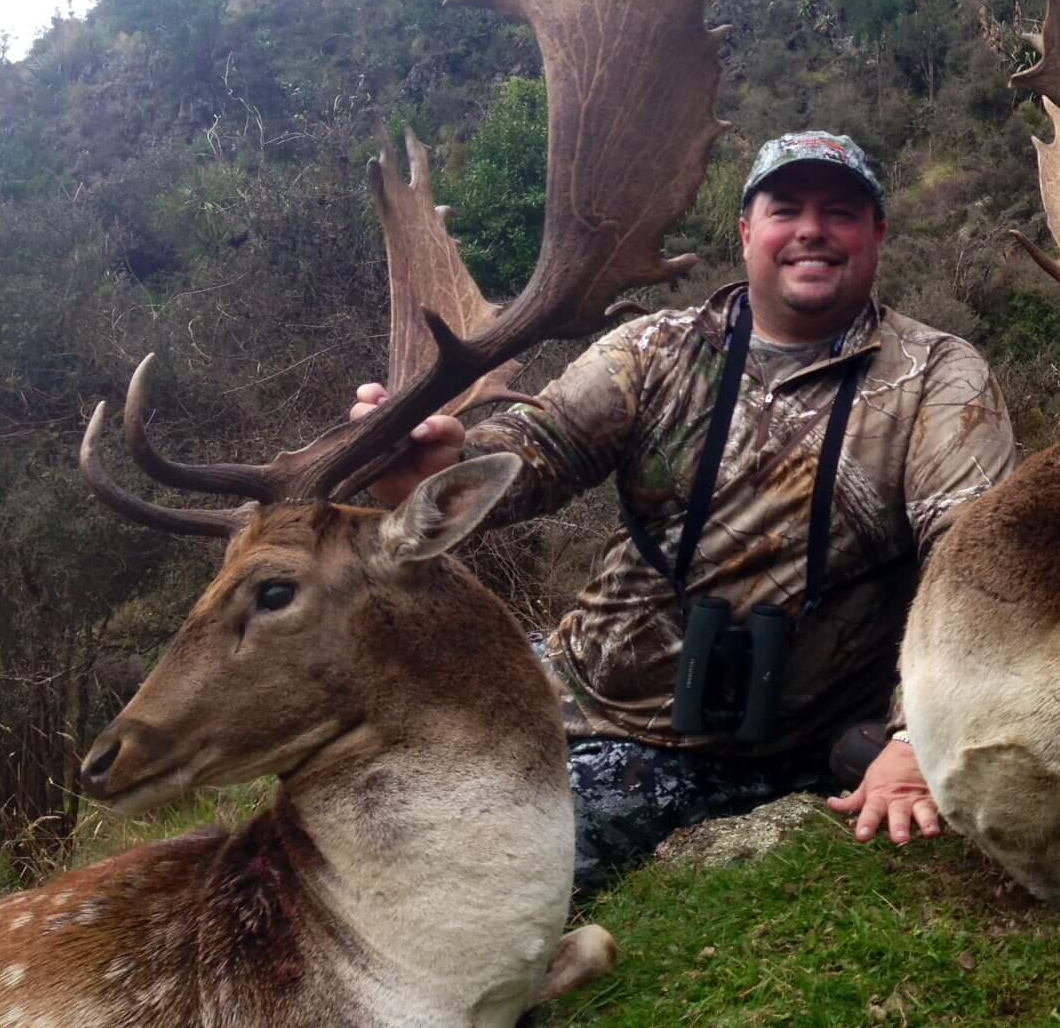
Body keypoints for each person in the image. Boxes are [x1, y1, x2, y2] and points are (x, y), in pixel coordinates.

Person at [354, 131, 1018, 889]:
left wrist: (914, 736)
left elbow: (974, 555)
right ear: (745, 234)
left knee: (458, 864)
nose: (811, 230)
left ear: (876, 235)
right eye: (786, 209)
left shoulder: (937, 375)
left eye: (840, 212)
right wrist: (439, 464)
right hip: (569, 683)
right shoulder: (654, 349)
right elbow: (539, 450)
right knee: (360, 781)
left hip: (734, 752)